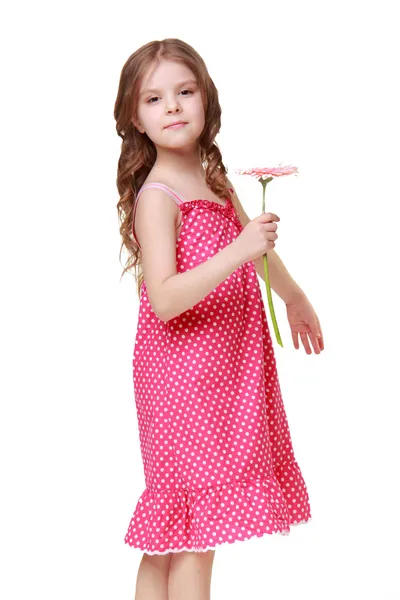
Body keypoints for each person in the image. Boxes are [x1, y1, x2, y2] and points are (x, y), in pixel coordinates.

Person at [114, 37, 324, 600]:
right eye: (155, 99)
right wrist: (238, 249)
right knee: (192, 530)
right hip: (183, 379)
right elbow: (163, 298)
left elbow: (259, 251)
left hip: (224, 372)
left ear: (206, 98)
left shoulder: (214, 180)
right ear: (135, 117)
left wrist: (293, 295)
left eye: (185, 92)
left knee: (181, 530)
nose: (174, 107)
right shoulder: (157, 196)